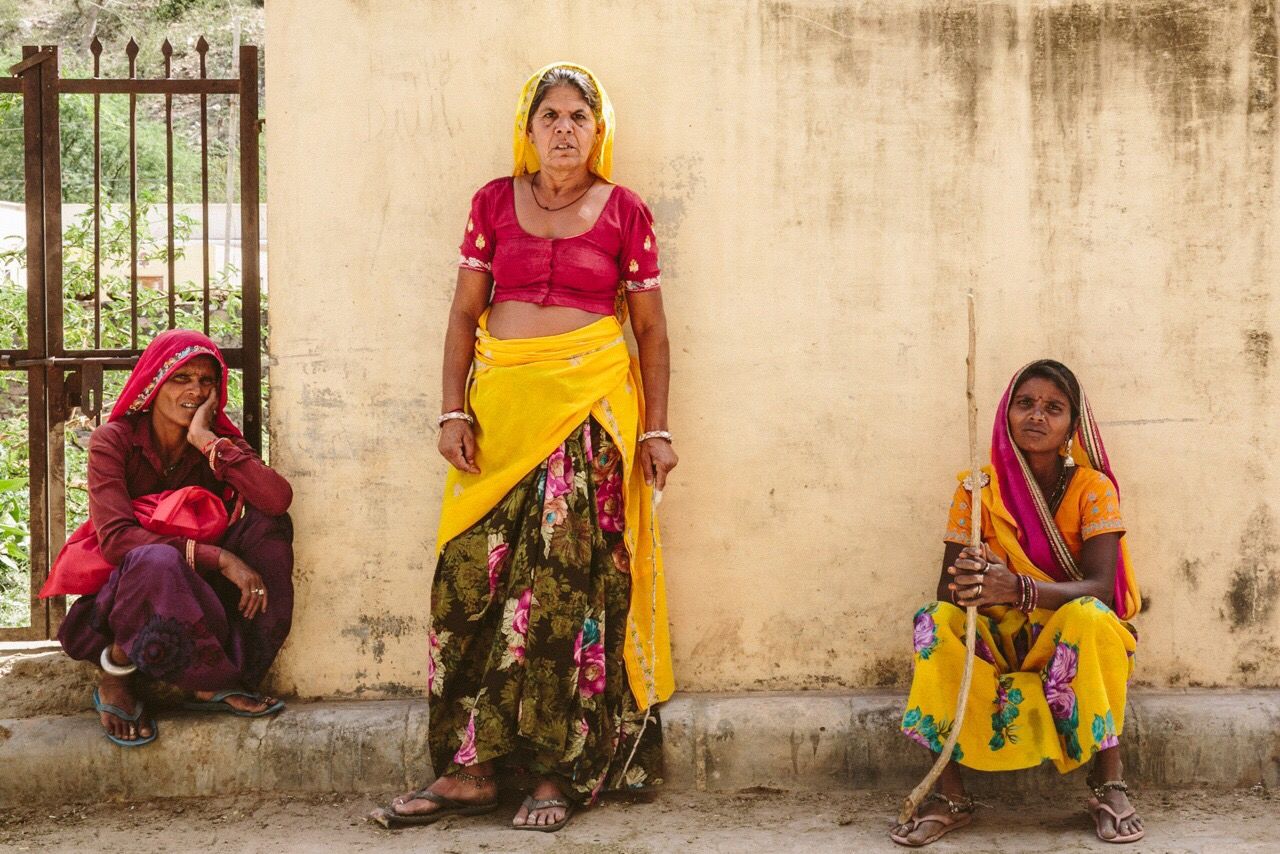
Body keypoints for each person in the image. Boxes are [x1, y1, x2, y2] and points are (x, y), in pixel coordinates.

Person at [371, 62, 675, 833]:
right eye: (552, 116)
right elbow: (462, 316)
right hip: (498, 420)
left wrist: (657, 430)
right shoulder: (490, 203)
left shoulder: (625, 212)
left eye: (580, 116)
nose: (565, 129)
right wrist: (451, 410)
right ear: (529, 127)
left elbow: (651, 331)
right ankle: (468, 771)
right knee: (466, 587)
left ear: (597, 130)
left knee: (564, 596)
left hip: (588, 419)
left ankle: (551, 775)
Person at [890, 359, 1143, 846]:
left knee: (1093, 619)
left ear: (1072, 425)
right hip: (998, 637)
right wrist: (973, 579)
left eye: (1054, 408)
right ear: (1006, 414)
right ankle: (951, 795)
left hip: (1062, 641)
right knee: (933, 620)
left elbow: (1101, 588)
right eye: (1024, 404)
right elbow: (948, 592)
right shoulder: (977, 489)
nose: (1037, 416)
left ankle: (1108, 782)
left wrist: (1020, 588)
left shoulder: (1093, 489)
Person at [56, 329, 294, 746]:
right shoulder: (113, 441)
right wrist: (218, 557)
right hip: (125, 597)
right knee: (154, 559)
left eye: (206, 381)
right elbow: (116, 540)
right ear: (154, 384)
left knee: (269, 528)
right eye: (181, 379)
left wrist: (205, 439)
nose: (196, 390)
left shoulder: (215, 444)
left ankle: (219, 677)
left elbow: (276, 499)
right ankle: (116, 676)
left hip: (197, 596)